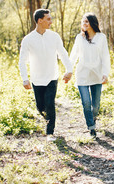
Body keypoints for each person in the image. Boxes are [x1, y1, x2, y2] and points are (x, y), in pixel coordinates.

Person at [19, 9, 72, 142]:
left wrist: (69, 69)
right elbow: (22, 61)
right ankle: (49, 119)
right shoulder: (28, 39)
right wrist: (25, 79)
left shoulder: (54, 36)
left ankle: (50, 133)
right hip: (37, 79)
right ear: (39, 20)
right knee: (40, 107)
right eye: (48, 19)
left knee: (50, 103)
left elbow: (63, 54)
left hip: (52, 77)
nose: (51, 21)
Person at [70, 12, 111, 138]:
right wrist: (68, 70)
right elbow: (73, 55)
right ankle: (91, 127)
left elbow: (105, 56)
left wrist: (105, 73)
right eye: (83, 22)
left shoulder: (101, 37)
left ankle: (93, 118)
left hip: (97, 75)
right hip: (82, 75)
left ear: (93, 23)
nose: (84, 24)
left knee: (96, 105)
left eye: (86, 21)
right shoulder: (79, 38)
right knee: (86, 103)